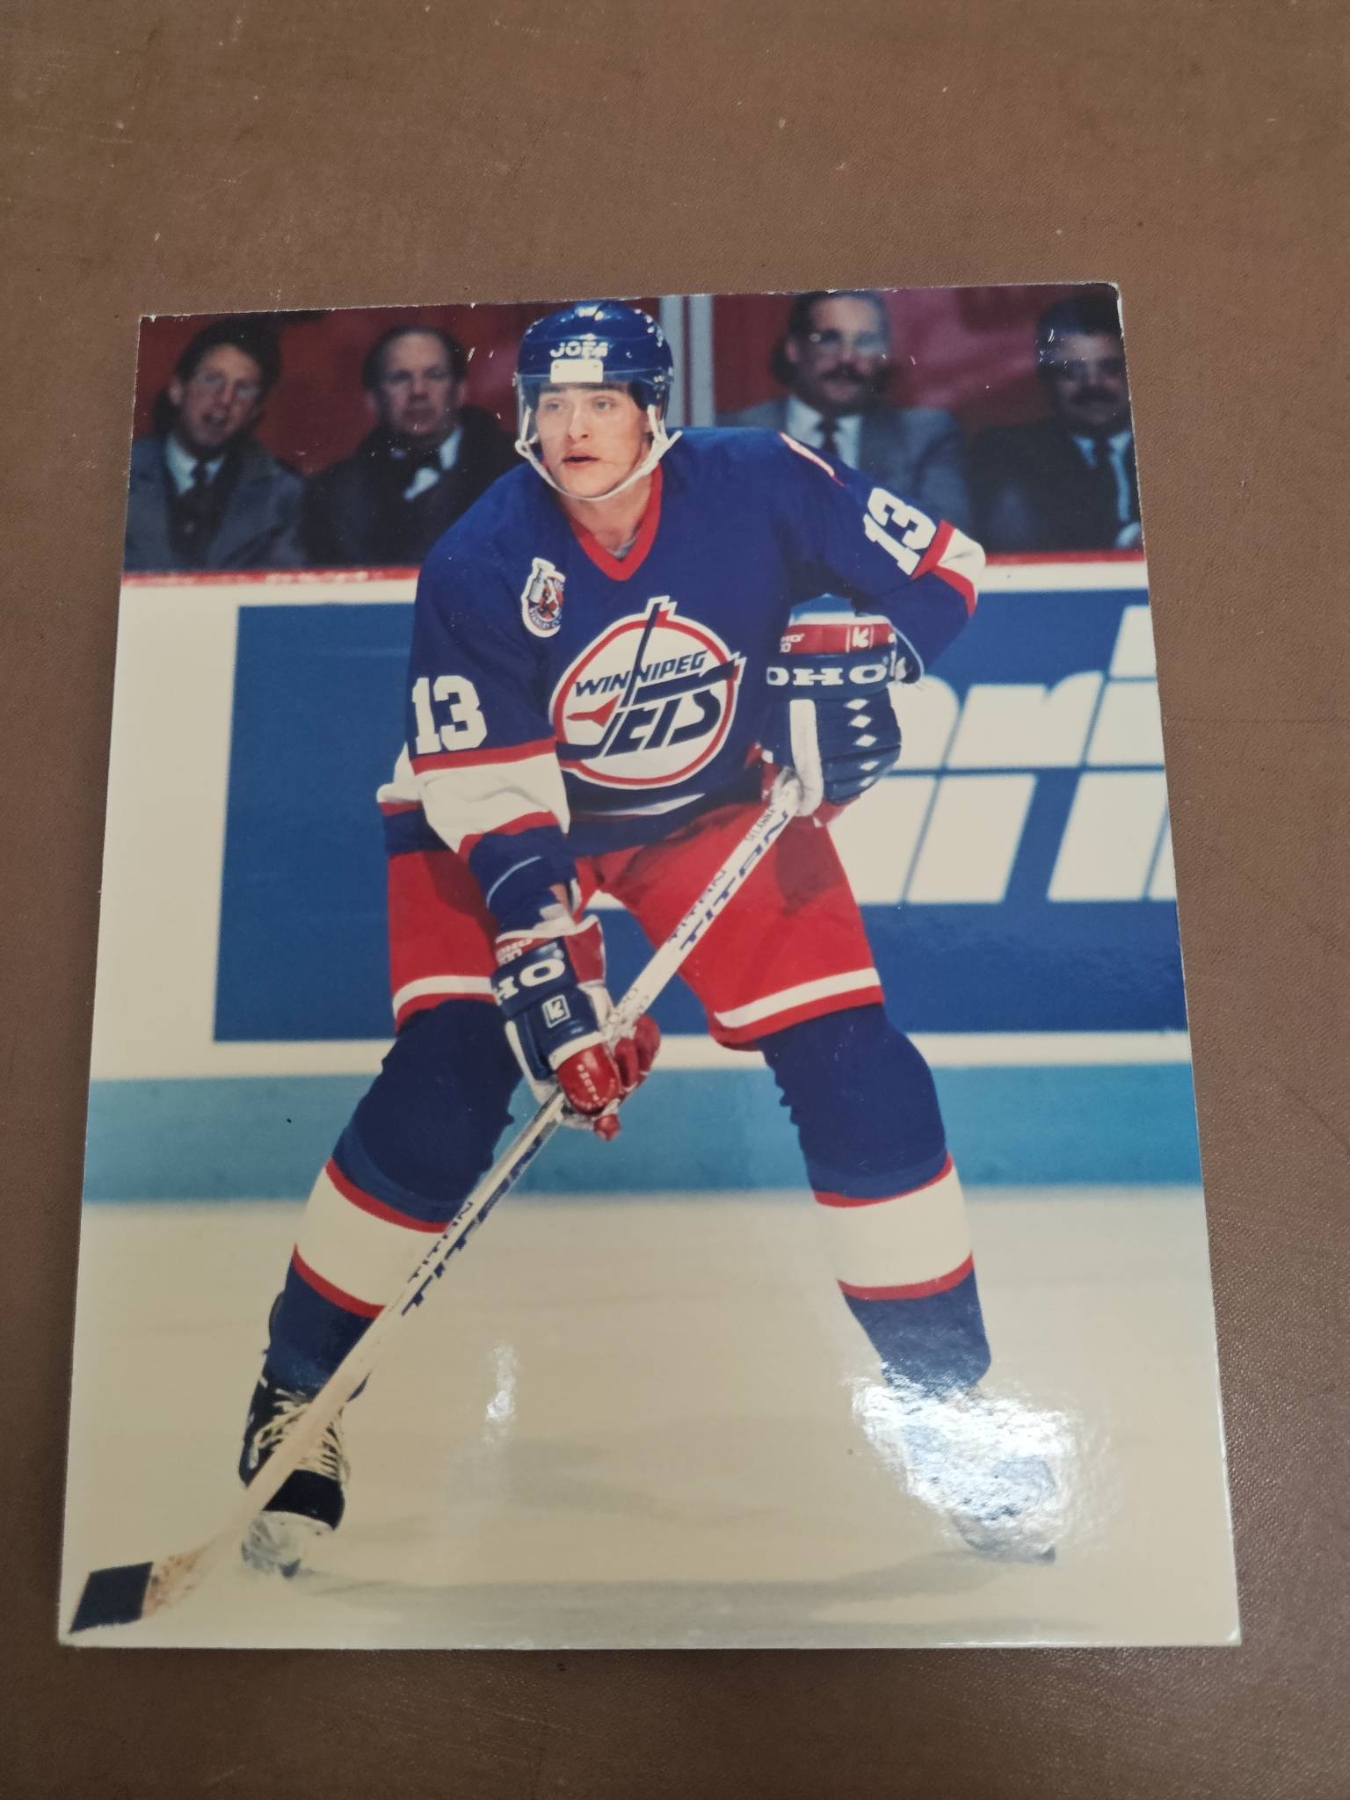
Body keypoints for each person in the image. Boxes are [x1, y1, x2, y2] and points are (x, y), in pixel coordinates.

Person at [237, 300, 1058, 1577]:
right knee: (452, 1079)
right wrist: (545, 959)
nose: (572, 429)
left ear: (653, 412)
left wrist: (882, 657)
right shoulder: (481, 558)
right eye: (552, 405)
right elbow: (496, 802)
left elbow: (948, 567)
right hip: (500, 822)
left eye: (601, 403)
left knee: (864, 1073)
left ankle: (951, 1412)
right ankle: (296, 1391)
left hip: (712, 809)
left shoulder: (760, 477)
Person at [717, 289, 974, 532]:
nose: (847, 358)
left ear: (883, 355)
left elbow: (949, 542)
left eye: (865, 342)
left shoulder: (923, 437)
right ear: (794, 348)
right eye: (829, 339)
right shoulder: (736, 434)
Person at [303, 325, 519, 567]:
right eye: (400, 378)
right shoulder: (334, 494)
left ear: (460, 391)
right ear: (373, 401)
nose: (418, 391)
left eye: (434, 375)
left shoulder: (516, 472)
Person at [124, 318, 304, 572]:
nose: (225, 399)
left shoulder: (283, 494)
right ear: (177, 390)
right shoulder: (119, 474)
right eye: (212, 379)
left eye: (243, 389)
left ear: (255, 412)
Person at [971, 291, 1141, 552]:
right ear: (1046, 377)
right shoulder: (1008, 451)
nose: (1092, 384)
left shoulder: (1170, 450)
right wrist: (1129, 539)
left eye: (1110, 369)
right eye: (1072, 371)